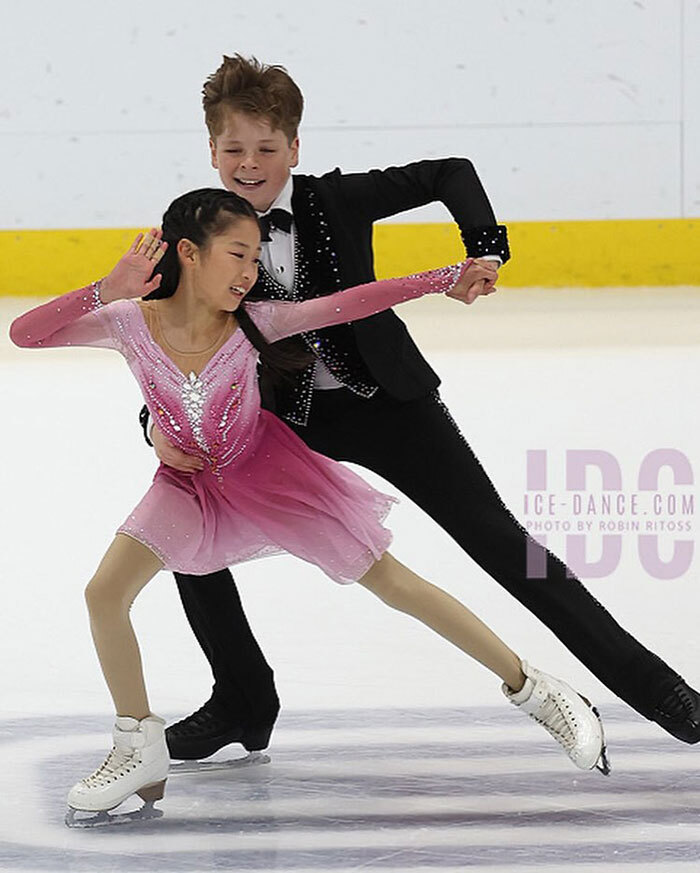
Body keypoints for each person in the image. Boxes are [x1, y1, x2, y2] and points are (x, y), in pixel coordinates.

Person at [144, 55, 700, 759]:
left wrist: (486, 252)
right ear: (211, 150)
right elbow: (161, 350)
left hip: (389, 403)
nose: (250, 164)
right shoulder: (190, 241)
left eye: (267, 148)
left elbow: (450, 172)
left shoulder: (335, 200)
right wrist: (154, 432)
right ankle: (243, 700)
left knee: (501, 542)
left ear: (295, 147)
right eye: (234, 149)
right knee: (189, 523)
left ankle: (660, 690)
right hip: (277, 422)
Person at [11, 188, 609, 820]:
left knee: (393, 583)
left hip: (269, 475)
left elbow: (351, 301)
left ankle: (536, 689)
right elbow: (27, 334)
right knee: (105, 593)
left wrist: (442, 277)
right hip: (189, 485)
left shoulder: (258, 323)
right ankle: (139, 747)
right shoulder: (129, 321)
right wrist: (105, 287)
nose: (250, 272)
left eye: (255, 257)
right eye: (237, 255)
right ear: (188, 252)